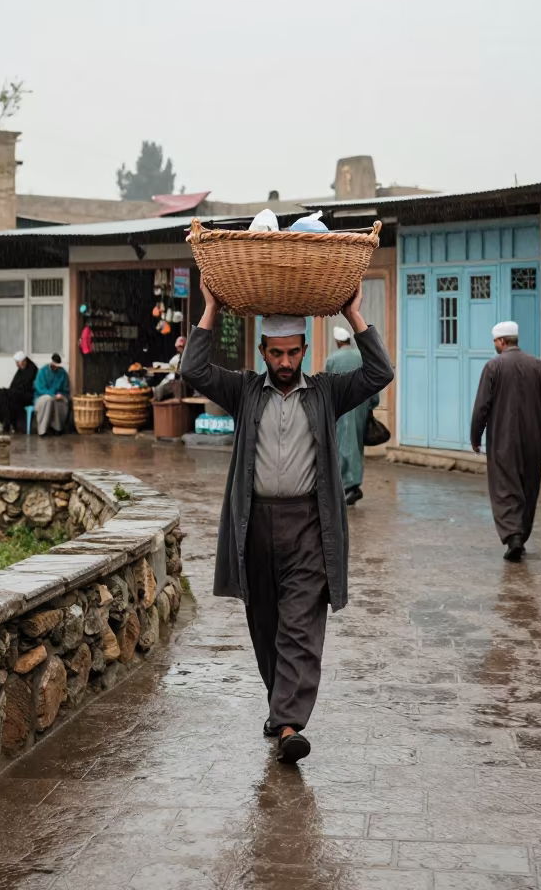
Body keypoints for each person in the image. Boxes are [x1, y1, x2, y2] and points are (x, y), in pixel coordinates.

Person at [180, 279, 394, 764]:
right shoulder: (244, 391)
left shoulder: (327, 393)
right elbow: (192, 368)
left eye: (292, 353)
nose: (284, 363)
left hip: (308, 528)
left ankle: (290, 725)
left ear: (304, 349)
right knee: (265, 627)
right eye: (275, 354)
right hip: (253, 527)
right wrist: (212, 308)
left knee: (300, 627)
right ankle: (281, 709)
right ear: (262, 351)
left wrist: (355, 316)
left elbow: (381, 371)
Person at [470, 321, 541, 562]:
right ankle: (520, 537)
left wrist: (475, 436)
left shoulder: (493, 366)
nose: (494, 345)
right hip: (534, 439)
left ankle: (513, 535)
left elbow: (482, 406)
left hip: (503, 439)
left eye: (495, 341)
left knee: (505, 487)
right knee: (528, 487)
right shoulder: (537, 365)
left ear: (501, 342)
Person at [324, 325, 379, 505]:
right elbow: (372, 381)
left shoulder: (332, 359)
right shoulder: (361, 357)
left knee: (343, 444)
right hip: (361, 406)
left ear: (338, 341)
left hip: (342, 406)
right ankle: (350, 485)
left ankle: (350, 486)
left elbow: (328, 385)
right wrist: (372, 404)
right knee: (356, 444)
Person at [0, 351, 38, 434]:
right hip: (15, 393)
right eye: (17, 363)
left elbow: (26, 386)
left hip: (25, 396)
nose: (18, 365)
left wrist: (10, 392)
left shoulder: (32, 370)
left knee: (3, 395)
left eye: (19, 363)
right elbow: (14, 385)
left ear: (24, 361)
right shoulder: (20, 371)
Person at [34, 353, 71, 436]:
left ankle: (57, 428)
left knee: (62, 402)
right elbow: (40, 388)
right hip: (42, 396)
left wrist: (61, 395)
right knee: (48, 399)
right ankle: (43, 430)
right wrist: (52, 395)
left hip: (57, 396)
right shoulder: (42, 371)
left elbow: (65, 389)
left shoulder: (62, 373)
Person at [153, 335, 188, 402]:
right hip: (175, 378)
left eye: (181, 347)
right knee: (159, 387)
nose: (179, 349)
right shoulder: (177, 358)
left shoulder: (188, 357)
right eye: (178, 347)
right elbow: (172, 366)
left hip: (184, 381)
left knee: (161, 388)